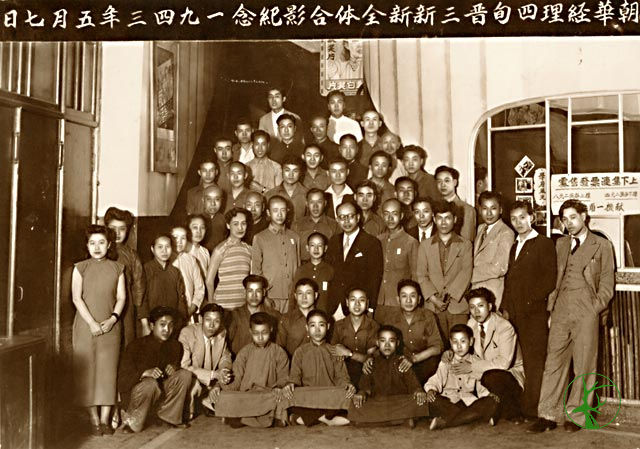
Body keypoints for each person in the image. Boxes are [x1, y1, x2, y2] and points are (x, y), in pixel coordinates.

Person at [529, 200, 614, 433]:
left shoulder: (602, 245)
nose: (569, 223)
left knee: (584, 364)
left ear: (584, 216)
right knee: (553, 361)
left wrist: (595, 308)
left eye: (573, 217)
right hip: (561, 308)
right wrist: (551, 309)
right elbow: (556, 278)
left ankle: (577, 415)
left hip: (586, 308)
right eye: (565, 219)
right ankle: (548, 414)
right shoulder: (561, 244)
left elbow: (607, 282)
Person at [501, 200, 557, 421]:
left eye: (522, 217)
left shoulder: (543, 243)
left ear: (532, 217)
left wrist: (529, 302)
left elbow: (549, 280)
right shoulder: (515, 244)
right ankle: (521, 405)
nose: (518, 222)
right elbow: (510, 280)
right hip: (515, 312)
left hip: (534, 314)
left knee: (535, 362)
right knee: (518, 361)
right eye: (514, 219)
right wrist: (506, 307)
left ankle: (534, 410)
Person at [72, 225, 126, 436]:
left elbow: (121, 297)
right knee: (88, 373)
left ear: (109, 245)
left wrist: (113, 319)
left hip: (110, 328)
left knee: (107, 373)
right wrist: (92, 323)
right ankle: (94, 420)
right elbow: (76, 298)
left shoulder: (118, 268)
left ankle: (105, 420)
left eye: (101, 242)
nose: (97, 247)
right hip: (86, 327)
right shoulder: (80, 268)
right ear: (87, 245)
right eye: (92, 243)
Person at [118, 306, 192, 433]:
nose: (167, 329)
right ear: (152, 326)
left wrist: (174, 368)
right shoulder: (136, 346)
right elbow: (122, 382)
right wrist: (143, 373)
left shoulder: (175, 346)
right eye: (162, 325)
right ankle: (132, 422)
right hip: (137, 397)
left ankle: (170, 417)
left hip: (158, 396)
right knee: (150, 384)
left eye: (170, 325)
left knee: (185, 375)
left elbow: (173, 378)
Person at [213, 312, 290, 428]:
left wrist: (279, 387)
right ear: (250, 332)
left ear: (271, 330)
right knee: (223, 397)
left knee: (282, 397)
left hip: (268, 394)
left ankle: (240, 418)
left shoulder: (279, 352)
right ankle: (262, 419)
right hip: (247, 394)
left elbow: (284, 376)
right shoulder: (245, 352)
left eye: (264, 333)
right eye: (256, 333)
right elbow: (236, 378)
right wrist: (219, 385)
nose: (260, 337)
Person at [282, 310, 356, 426]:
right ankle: (327, 419)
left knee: (347, 395)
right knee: (290, 394)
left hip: (329, 394)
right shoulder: (300, 352)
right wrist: (290, 384)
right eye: (312, 325)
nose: (317, 330)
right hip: (308, 394)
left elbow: (341, 377)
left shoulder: (334, 351)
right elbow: (294, 378)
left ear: (328, 327)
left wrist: (347, 385)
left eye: (321, 325)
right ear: (307, 328)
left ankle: (307, 418)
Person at [462, 288, 525, 424]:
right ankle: (494, 409)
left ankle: (512, 411)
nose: (476, 311)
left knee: (491, 377)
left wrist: (473, 367)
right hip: (483, 376)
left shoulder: (504, 327)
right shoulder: (471, 324)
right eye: (472, 307)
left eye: (480, 306)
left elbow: (504, 363)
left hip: (508, 377)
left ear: (490, 306)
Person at [349, 325, 429, 427]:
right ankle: (400, 420)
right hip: (379, 402)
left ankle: (375, 421)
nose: (387, 345)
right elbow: (365, 387)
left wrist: (418, 391)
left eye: (391, 341)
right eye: (383, 341)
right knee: (356, 403)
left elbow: (414, 385)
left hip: (400, 401)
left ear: (397, 343)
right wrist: (361, 394)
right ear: (377, 343)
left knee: (419, 401)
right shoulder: (371, 362)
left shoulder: (403, 362)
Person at [417, 200, 473, 341]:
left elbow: (466, 272)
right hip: (432, 307)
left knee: (459, 345)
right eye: (439, 218)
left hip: (457, 306)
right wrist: (434, 299)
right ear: (434, 219)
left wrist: (449, 296)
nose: (443, 223)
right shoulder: (424, 246)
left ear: (455, 219)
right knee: (437, 344)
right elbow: (422, 275)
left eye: (447, 218)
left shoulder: (465, 245)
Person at [425, 324, 497, 430]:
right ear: (450, 343)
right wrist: (431, 390)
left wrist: (488, 394)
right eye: (455, 342)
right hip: (448, 401)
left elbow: (480, 385)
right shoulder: (446, 361)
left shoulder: (476, 362)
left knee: (491, 401)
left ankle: (446, 422)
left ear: (471, 341)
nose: (459, 346)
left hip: (467, 402)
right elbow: (437, 379)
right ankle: (473, 417)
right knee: (433, 400)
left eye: (463, 341)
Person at [326, 201, 383, 318]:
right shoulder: (333, 241)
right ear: (337, 220)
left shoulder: (371, 242)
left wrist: (371, 307)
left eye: (350, 216)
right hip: (333, 306)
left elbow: (374, 278)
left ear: (358, 217)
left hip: (357, 306)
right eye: (342, 217)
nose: (346, 221)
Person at [178, 304, 233, 419]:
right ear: (200, 319)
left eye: (216, 321)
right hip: (193, 378)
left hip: (210, 380)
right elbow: (184, 366)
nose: (212, 325)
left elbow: (225, 356)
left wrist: (223, 372)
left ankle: (207, 399)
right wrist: (214, 375)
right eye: (208, 320)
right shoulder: (187, 333)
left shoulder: (222, 332)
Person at [251, 195, 301, 314]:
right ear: (268, 212)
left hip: (291, 296)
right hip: (271, 296)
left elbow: (298, 268)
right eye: (275, 210)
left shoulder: (294, 237)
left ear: (287, 211)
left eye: (283, 210)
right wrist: (264, 297)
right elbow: (256, 271)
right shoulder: (260, 238)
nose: (279, 214)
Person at [386, 280, 442, 383]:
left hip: (424, 361)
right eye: (404, 296)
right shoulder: (391, 318)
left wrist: (414, 359)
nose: (408, 300)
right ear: (398, 300)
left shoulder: (428, 316)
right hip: (401, 362)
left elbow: (437, 347)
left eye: (412, 296)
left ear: (419, 299)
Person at [105, 207, 145, 348]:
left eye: (122, 229)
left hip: (126, 304)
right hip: (105, 301)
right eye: (113, 228)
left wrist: (137, 308)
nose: (117, 233)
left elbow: (139, 283)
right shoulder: (101, 251)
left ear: (127, 230)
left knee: (127, 338)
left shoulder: (131, 254)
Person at [376, 199, 419, 323]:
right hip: (378, 303)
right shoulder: (377, 241)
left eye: (394, 214)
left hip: (399, 304)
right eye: (386, 214)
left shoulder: (411, 242)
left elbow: (416, 276)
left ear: (401, 215)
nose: (390, 218)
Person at [471, 192, 515, 309]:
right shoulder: (480, 228)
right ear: (479, 210)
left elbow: (499, 268)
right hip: (475, 291)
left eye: (493, 208)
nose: (489, 213)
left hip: (492, 292)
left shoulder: (506, 232)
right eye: (485, 208)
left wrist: (468, 275)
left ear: (500, 210)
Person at [329, 288, 379, 386]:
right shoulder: (338, 325)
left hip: (365, 374)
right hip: (343, 373)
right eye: (353, 300)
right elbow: (335, 352)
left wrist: (349, 353)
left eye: (361, 300)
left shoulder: (374, 326)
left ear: (367, 303)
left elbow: (369, 359)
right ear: (347, 302)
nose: (357, 304)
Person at [139, 234, 187, 336]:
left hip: (172, 324)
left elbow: (181, 300)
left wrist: (180, 324)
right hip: (152, 324)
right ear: (152, 249)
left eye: (167, 247)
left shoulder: (175, 272)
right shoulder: (145, 269)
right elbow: (141, 299)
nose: (164, 251)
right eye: (160, 247)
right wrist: (145, 325)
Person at [206, 208, 252, 310]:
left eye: (243, 223)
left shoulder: (249, 249)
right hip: (223, 306)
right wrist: (211, 305)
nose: (240, 228)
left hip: (242, 307)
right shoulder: (220, 249)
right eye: (235, 224)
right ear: (228, 225)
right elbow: (209, 281)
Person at [227, 275, 282, 356]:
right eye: (250, 291)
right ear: (245, 292)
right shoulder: (235, 315)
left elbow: (279, 345)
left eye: (258, 291)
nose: (254, 295)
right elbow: (226, 345)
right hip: (240, 361)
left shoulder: (274, 315)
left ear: (264, 292)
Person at [292, 188, 340, 262]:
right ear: (307, 204)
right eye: (312, 202)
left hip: (326, 266)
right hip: (303, 266)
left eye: (319, 202)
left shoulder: (334, 225)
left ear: (325, 203)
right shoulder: (297, 225)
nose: (315, 206)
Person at [291, 233, 335, 314]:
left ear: (325, 248)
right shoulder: (301, 270)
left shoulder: (330, 270)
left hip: (323, 314)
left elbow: (333, 296)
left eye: (319, 245)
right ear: (307, 248)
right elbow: (293, 296)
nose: (316, 249)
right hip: (303, 314)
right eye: (312, 245)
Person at [170, 225, 205, 322]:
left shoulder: (191, 260)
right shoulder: (165, 261)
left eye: (183, 238)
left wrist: (191, 308)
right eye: (175, 237)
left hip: (188, 313)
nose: (179, 241)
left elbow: (199, 288)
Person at [435, 165, 476, 242]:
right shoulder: (433, 207)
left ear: (455, 182)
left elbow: (466, 240)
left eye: (447, 181)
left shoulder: (467, 210)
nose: (443, 185)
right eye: (439, 181)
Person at [279, 278, 318, 357]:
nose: (304, 297)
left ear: (315, 295)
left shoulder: (324, 318)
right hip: (293, 363)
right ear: (295, 296)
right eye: (300, 293)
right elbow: (279, 350)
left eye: (308, 293)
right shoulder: (286, 319)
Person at [265, 155, 308, 224]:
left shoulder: (307, 194)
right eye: (287, 170)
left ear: (300, 173)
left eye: (295, 171)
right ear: (282, 171)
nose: (291, 175)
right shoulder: (270, 195)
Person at [247, 130, 283, 194]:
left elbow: (279, 195)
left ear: (268, 145)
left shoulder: (276, 167)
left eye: (263, 144)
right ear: (252, 145)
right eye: (257, 144)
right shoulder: (246, 167)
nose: (260, 148)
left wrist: (262, 189)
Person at [201, 185, 228, 253]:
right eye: (209, 199)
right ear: (203, 200)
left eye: (217, 199)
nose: (213, 203)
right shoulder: (197, 219)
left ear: (222, 201)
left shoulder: (225, 220)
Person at [186, 214, 210, 280]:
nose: (199, 231)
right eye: (195, 227)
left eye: (202, 228)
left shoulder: (205, 251)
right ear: (187, 229)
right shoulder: (183, 252)